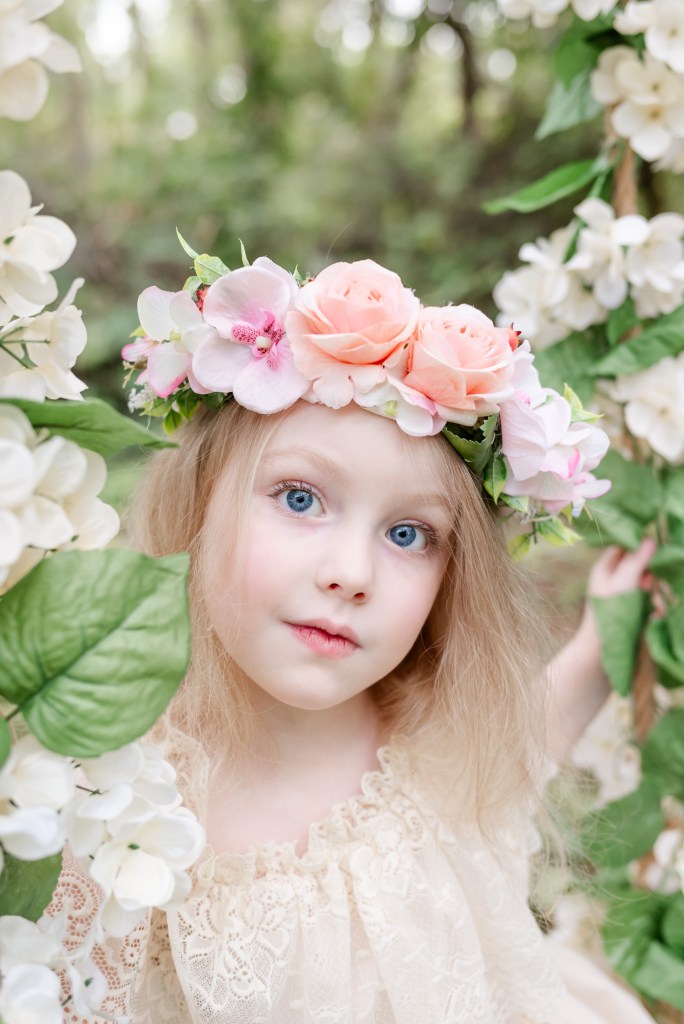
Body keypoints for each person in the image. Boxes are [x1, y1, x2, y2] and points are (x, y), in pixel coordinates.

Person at [61, 257, 656, 1023]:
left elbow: (530, 743)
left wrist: (614, 632)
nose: (351, 574)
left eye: (409, 534)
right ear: (201, 499)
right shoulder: (112, 796)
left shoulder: (445, 745)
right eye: (300, 497)